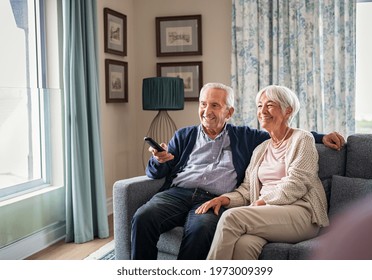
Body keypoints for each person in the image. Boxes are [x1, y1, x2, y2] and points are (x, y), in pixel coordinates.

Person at [131, 83, 343, 260]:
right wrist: (158, 160)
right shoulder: (185, 136)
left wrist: (321, 137)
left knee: (204, 229)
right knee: (143, 217)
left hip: (236, 201)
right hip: (179, 193)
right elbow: (157, 171)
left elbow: (290, 137)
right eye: (203, 104)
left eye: (215, 105)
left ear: (229, 112)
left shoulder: (248, 137)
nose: (207, 111)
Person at [196, 85, 330, 260]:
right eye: (259, 106)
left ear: (287, 111)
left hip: (301, 213)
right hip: (267, 213)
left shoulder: (302, 139)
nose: (262, 111)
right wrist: (225, 199)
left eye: (270, 105)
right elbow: (246, 189)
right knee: (244, 245)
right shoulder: (261, 149)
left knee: (231, 218)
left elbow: (298, 183)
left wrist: (263, 201)